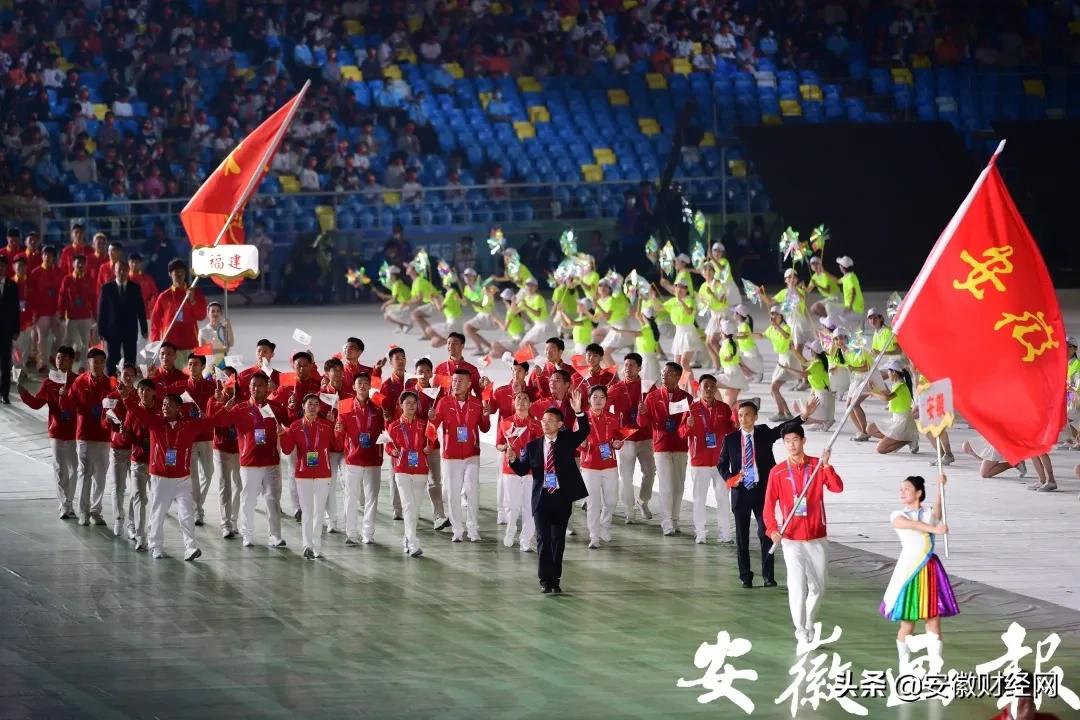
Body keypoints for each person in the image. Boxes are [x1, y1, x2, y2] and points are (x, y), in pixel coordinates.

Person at [718, 397, 816, 589]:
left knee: (766, 533)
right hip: (741, 492)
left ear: (755, 417)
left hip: (763, 492)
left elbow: (784, 428)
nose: (743, 418)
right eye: (740, 415)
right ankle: (745, 576)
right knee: (741, 537)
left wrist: (804, 415)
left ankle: (768, 576)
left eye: (747, 415)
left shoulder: (763, 433)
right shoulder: (730, 440)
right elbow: (721, 464)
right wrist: (732, 478)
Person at [121, 385, 227, 561]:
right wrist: (126, 398)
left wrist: (223, 406)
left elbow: (211, 422)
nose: (164, 407)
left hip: (182, 479)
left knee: (186, 513)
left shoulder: (189, 426)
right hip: (160, 478)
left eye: (169, 405)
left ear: (179, 408)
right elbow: (137, 411)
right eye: (163, 404)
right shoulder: (155, 423)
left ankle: (190, 547)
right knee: (158, 512)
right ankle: (155, 546)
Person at [764, 425, 843, 646]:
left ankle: (809, 622)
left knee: (818, 586)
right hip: (791, 538)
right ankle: (800, 629)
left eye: (795, 439)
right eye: (787, 440)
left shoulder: (817, 465)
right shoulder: (777, 472)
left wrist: (827, 466)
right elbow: (768, 506)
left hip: (817, 536)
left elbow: (837, 488)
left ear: (803, 440)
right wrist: (772, 530)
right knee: (797, 585)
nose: (791, 444)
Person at [508, 389, 589, 594]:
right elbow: (521, 470)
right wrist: (512, 459)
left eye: (551, 420)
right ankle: (545, 580)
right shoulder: (533, 446)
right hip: (541, 499)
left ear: (560, 425)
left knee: (557, 540)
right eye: (544, 420)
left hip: (561, 499)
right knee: (543, 540)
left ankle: (556, 578)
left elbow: (584, 432)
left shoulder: (566, 441)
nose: (545, 423)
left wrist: (579, 412)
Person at [880, 474, 957, 668]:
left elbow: (938, 513)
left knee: (933, 619)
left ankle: (935, 668)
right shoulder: (899, 515)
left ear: (918, 493)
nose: (902, 492)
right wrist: (934, 529)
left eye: (906, 488)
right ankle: (904, 665)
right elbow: (912, 525)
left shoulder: (928, 514)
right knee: (908, 622)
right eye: (901, 488)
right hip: (908, 572)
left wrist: (941, 488)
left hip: (929, 570)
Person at [216, 372, 290, 548]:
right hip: (249, 463)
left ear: (268, 387)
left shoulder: (277, 408)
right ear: (249, 388)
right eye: (253, 385)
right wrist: (223, 406)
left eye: (260, 385)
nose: (256, 388)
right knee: (248, 499)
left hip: (271, 462)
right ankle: (247, 535)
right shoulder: (240, 408)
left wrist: (288, 418)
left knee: (272, 499)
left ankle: (275, 536)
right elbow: (219, 422)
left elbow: (289, 425)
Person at [430, 368, 491, 542]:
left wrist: (486, 415)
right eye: (454, 381)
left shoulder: (478, 403)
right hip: (450, 456)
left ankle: (473, 530)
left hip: (472, 455)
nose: (456, 384)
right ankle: (457, 529)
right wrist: (431, 418)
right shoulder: (443, 402)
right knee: (452, 493)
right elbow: (433, 427)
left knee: (472, 492)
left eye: (460, 381)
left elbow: (485, 428)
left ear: (469, 384)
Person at [18, 346, 78, 518]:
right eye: (58, 357)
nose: (60, 360)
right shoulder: (49, 382)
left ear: (71, 361)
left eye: (64, 358)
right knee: (60, 469)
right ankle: (64, 506)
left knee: (73, 469)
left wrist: (68, 397)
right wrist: (23, 392)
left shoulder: (78, 380)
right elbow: (37, 404)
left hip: (74, 432)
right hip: (56, 431)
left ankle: (69, 502)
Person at [637, 361, 693, 536]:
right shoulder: (652, 397)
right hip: (661, 446)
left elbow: (686, 421)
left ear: (677, 376)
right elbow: (642, 424)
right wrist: (642, 412)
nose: (663, 375)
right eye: (662, 372)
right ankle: (666, 521)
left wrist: (689, 426)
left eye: (668, 373)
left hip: (680, 446)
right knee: (666, 485)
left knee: (678, 485)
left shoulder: (686, 398)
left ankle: (675, 519)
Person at [59, 347, 113, 525]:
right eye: (94, 362)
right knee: (85, 473)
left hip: (104, 436)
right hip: (85, 435)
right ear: (88, 363)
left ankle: (96, 511)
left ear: (104, 363)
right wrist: (63, 397)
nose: (97, 365)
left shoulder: (111, 384)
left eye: (101, 362)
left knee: (101, 476)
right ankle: (83, 512)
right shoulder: (80, 382)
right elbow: (69, 405)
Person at [279, 393, 336, 559]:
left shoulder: (326, 425)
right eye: (309, 403)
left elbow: (337, 445)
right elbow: (287, 450)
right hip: (303, 474)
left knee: (319, 511)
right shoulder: (296, 426)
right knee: (307, 511)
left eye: (315, 404)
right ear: (303, 406)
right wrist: (282, 434)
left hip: (323, 474)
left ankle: (316, 546)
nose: (312, 407)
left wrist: (336, 428)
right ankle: (307, 545)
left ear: (319, 408)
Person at [680, 374, 736, 544]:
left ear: (716, 389)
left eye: (712, 386)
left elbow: (730, 431)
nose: (709, 389)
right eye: (706, 386)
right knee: (699, 498)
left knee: (723, 498)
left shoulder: (724, 408)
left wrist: (736, 424)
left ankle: (725, 533)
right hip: (699, 462)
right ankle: (700, 533)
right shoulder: (691, 409)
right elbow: (681, 434)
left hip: (720, 462)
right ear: (699, 388)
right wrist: (688, 426)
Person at [336, 372, 385, 545]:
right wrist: (338, 428)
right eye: (360, 383)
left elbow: (386, 430)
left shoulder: (378, 408)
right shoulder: (345, 406)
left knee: (372, 498)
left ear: (370, 386)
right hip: (353, 460)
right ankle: (351, 533)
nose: (363, 386)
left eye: (366, 383)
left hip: (373, 460)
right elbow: (339, 434)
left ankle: (368, 534)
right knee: (351, 497)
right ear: (354, 387)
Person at [385, 390, 435, 557]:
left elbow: (431, 443)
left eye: (414, 403)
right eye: (408, 403)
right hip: (402, 470)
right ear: (401, 405)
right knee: (408, 506)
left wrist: (429, 448)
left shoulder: (424, 425)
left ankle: (407, 539)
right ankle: (413, 543)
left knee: (415, 507)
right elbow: (388, 445)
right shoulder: (393, 426)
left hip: (420, 469)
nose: (411, 406)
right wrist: (393, 451)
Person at [608, 352, 656, 522]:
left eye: (632, 365)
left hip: (645, 436)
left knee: (650, 472)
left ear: (640, 368)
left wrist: (646, 412)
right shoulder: (615, 388)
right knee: (626, 476)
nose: (627, 368)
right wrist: (614, 433)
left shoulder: (649, 387)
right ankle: (629, 509)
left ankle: (643, 501)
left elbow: (656, 411)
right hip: (625, 437)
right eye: (626, 365)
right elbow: (606, 411)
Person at [495, 389, 543, 550]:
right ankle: (510, 529)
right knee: (512, 505)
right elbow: (499, 443)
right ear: (513, 403)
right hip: (510, 470)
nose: (521, 401)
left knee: (529, 506)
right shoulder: (505, 422)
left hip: (530, 471)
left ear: (530, 404)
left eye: (525, 399)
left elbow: (541, 446)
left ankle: (526, 540)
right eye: (518, 398)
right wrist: (504, 449)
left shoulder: (537, 425)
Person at [578, 385, 624, 549]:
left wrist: (618, 443)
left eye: (601, 397)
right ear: (589, 400)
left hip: (609, 465)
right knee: (593, 502)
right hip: (590, 467)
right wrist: (581, 444)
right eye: (594, 397)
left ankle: (605, 524)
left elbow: (618, 437)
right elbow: (576, 443)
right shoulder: (582, 419)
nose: (598, 400)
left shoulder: (612, 418)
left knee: (611, 501)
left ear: (606, 400)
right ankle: (594, 536)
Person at [101, 363, 139, 536]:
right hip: (117, 449)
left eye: (131, 374)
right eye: (125, 374)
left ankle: (132, 523)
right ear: (119, 375)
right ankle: (118, 519)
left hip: (135, 449)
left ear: (136, 377)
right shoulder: (111, 397)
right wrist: (110, 422)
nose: (128, 377)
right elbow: (103, 421)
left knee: (136, 489)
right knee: (117, 486)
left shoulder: (140, 396)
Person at [149, 259, 208, 367]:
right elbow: (155, 321)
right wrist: (156, 342)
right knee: (175, 379)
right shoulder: (164, 296)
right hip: (171, 346)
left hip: (191, 344)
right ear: (170, 274)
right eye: (176, 272)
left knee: (191, 378)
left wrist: (193, 301)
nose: (180, 275)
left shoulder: (195, 292)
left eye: (182, 272)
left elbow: (202, 316)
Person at [122, 377, 157, 550]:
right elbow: (127, 438)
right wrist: (125, 432)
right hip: (138, 462)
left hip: (156, 463)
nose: (144, 393)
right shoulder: (132, 411)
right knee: (139, 498)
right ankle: (140, 536)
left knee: (156, 500)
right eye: (141, 390)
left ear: (154, 392)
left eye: (147, 390)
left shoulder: (160, 411)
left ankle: (153, 535)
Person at [96, 260, 147, 376]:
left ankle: (130, 382)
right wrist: (101, 330)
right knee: (113, 357)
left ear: (128, 271)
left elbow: (141, 309)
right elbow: (102, 311)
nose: (122, 272)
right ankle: (112, 380)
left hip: (130, 329)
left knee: (130, 357)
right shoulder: (107, 288)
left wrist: (144, 328)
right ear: (115, 271)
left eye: (125, 270)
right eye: (120, 270)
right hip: (112, 330)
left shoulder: (135, 288)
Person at [866, 361, 919, 454]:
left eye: (888, 371)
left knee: (880, 449)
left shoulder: (901, 385)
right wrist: (874, 388)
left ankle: (908, 440)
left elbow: (887, 397)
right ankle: (894, 440)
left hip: (903, 424)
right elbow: (887, 394)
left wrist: (872, 393)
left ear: (894, 372)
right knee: (869, 428)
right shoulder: (897, 384)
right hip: (896, 421)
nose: (887, 373)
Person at [57, 254, 96, 370]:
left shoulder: (89, 280)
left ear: (86, 265)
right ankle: (67, 366)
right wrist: (61, 313)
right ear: (73, 264)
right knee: (68, 343)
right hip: (71, 317)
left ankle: (83, 366)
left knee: (85, 343)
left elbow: (94, 299)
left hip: (85, 317)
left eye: (82, 263)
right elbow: (62, 297)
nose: (80, 265)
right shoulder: (67, 279)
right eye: (77, 263)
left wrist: (95, 315)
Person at [29, 246, 65, 371]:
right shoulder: (35, 273)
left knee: (60, 337)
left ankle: (53, 356)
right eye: (45, 254)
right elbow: (31, 294)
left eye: (50, 255)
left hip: (56, 312)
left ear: (54, 257)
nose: (47, 257)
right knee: (42, 339)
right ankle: (42, 363)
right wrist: (34, 312)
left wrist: (61, 310)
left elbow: (64, 293)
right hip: (41, 312)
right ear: (42, 256)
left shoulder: (60, 273)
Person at [0, 256, 19, 402]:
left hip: (6, 331)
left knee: (6, 364)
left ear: (6, 268)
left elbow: (16, 310)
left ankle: (5, 394)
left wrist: (16, 330)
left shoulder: (12, 285)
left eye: (2, 266)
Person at [198, 301, 234, 367]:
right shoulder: (203, 331)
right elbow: (202, 351)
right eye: (213, 311)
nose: (215, 313)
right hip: (209, 365)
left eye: (218, 311)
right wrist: (221, 350)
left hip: (223, 364)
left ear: (221, 313)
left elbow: (231, 343)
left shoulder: (224, 329)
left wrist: (229, 327)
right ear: (208, 314)